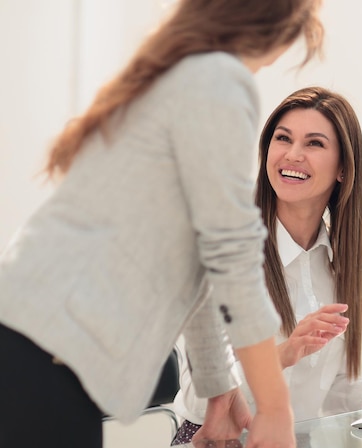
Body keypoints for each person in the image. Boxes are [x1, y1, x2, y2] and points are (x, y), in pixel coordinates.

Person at [0, 1, 324, 447]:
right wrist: (274, 407)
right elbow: (230, 253)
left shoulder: (182, 76)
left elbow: (205, 259)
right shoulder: (220, 81)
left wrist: (218, 387)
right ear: (284, 27)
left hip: (33, 344)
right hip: (42, 350)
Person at [172, 86, 362, 446]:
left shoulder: (342, 268)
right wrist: (285, 354)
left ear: (343, 170)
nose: (293, 155)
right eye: (283, 138)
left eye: (314, 144)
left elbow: (329, 390)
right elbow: (197, 397)